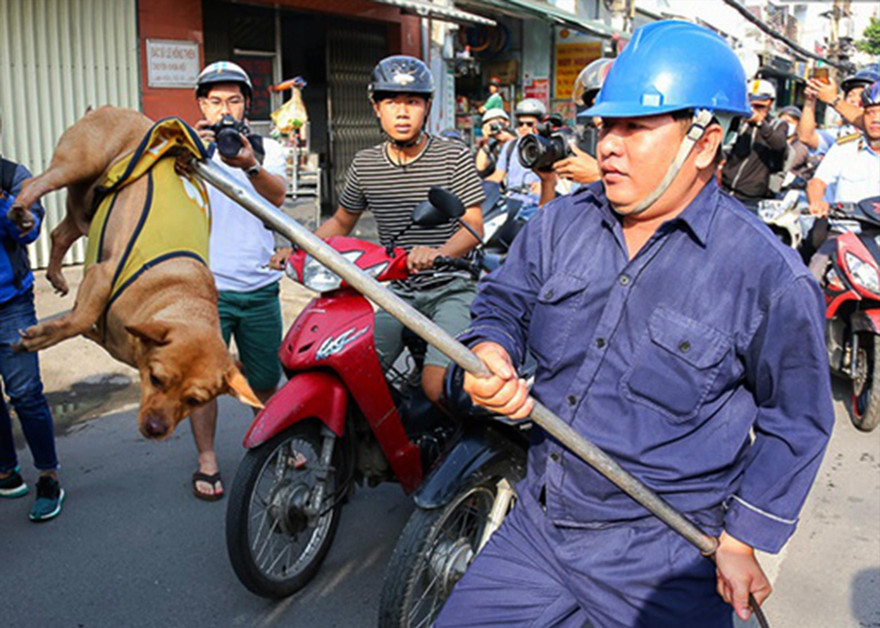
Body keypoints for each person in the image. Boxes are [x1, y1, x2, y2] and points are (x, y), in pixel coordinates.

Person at [437, 20, 834, 627]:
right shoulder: (559, 225)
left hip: (667, 552)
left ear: (705, 142)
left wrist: (744, 537)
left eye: (635, 127)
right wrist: (490, 350)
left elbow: (798, 421)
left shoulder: (767, 275)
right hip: (540, 527)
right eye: (605, 126)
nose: (608, 146)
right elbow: (503, 302)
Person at [314, 55, 484, 404]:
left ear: (427, 107)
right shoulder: (365, 164)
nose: (402, 112)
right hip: (398, 292)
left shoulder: (452, 156)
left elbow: (473, 224)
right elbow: (341, 222)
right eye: (391, 102)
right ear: (377, 108)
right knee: (355, 373)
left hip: (452, 287)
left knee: (436, 386)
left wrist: (438, 254)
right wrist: (299, 248)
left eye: (412, 102)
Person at [187, 61, 290, 501]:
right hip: (205, 288)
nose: (224, 110)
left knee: (265, 376)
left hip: (259, 284)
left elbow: (277, 197)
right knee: (202, 380)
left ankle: (271, 439)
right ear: (202, 106)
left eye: (233, 100)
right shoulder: (186, 151)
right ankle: (207, 458)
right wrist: (190, 152)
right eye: (215, 101)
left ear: (247, 103)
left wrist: (249, 164)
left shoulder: (266, 148)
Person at [0, 115, 64, 521]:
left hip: (11, 305)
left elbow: (29, 228)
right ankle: (6, 469)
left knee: (25, 394)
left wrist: (13, 212)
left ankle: (48, 476)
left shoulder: (12, 177)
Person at [805, 81, 880, 281]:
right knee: (815, 269)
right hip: (845, 236)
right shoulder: (845, 148)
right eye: (870, 112)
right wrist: (817, 202)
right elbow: (818, 182)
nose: (875, 119)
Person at [720, 78, 789, 204]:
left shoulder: (777, 125)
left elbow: (779, 145)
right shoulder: (739, 121)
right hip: (725, 187)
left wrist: (760, 123)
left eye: (760, 106)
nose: (755, 110)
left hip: (752, 195)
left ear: (770, 103)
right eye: (752, 106)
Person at [797, 69, 878, 155]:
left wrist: (833, 99)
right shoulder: (842, 134)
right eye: (851, 95)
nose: (854, 100)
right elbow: (806, 137)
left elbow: (864, 121)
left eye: (861, 95)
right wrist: (810, 101)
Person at [488, 98, 545, 210]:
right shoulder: (510, 146)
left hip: (537, 204)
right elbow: (498, 176)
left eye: (529, 124)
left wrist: (545, 185)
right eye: (520, 124)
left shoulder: (547, 146)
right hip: (512, 204)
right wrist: (478, 186)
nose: (524, 128)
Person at [475, 108, 516, 179]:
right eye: (491, 124)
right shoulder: (491, 146)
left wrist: (509, 139)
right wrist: (486, 142)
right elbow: (480, 168)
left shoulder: (516, 137)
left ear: (507, 123)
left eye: (498, 122)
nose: (495, 126)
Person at [776, 105, 810, 179]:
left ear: (798, 125)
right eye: (782, 122)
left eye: (789, 122)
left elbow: (789, 164)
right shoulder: (773, 141)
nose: (785, 126)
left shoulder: (800, 146)